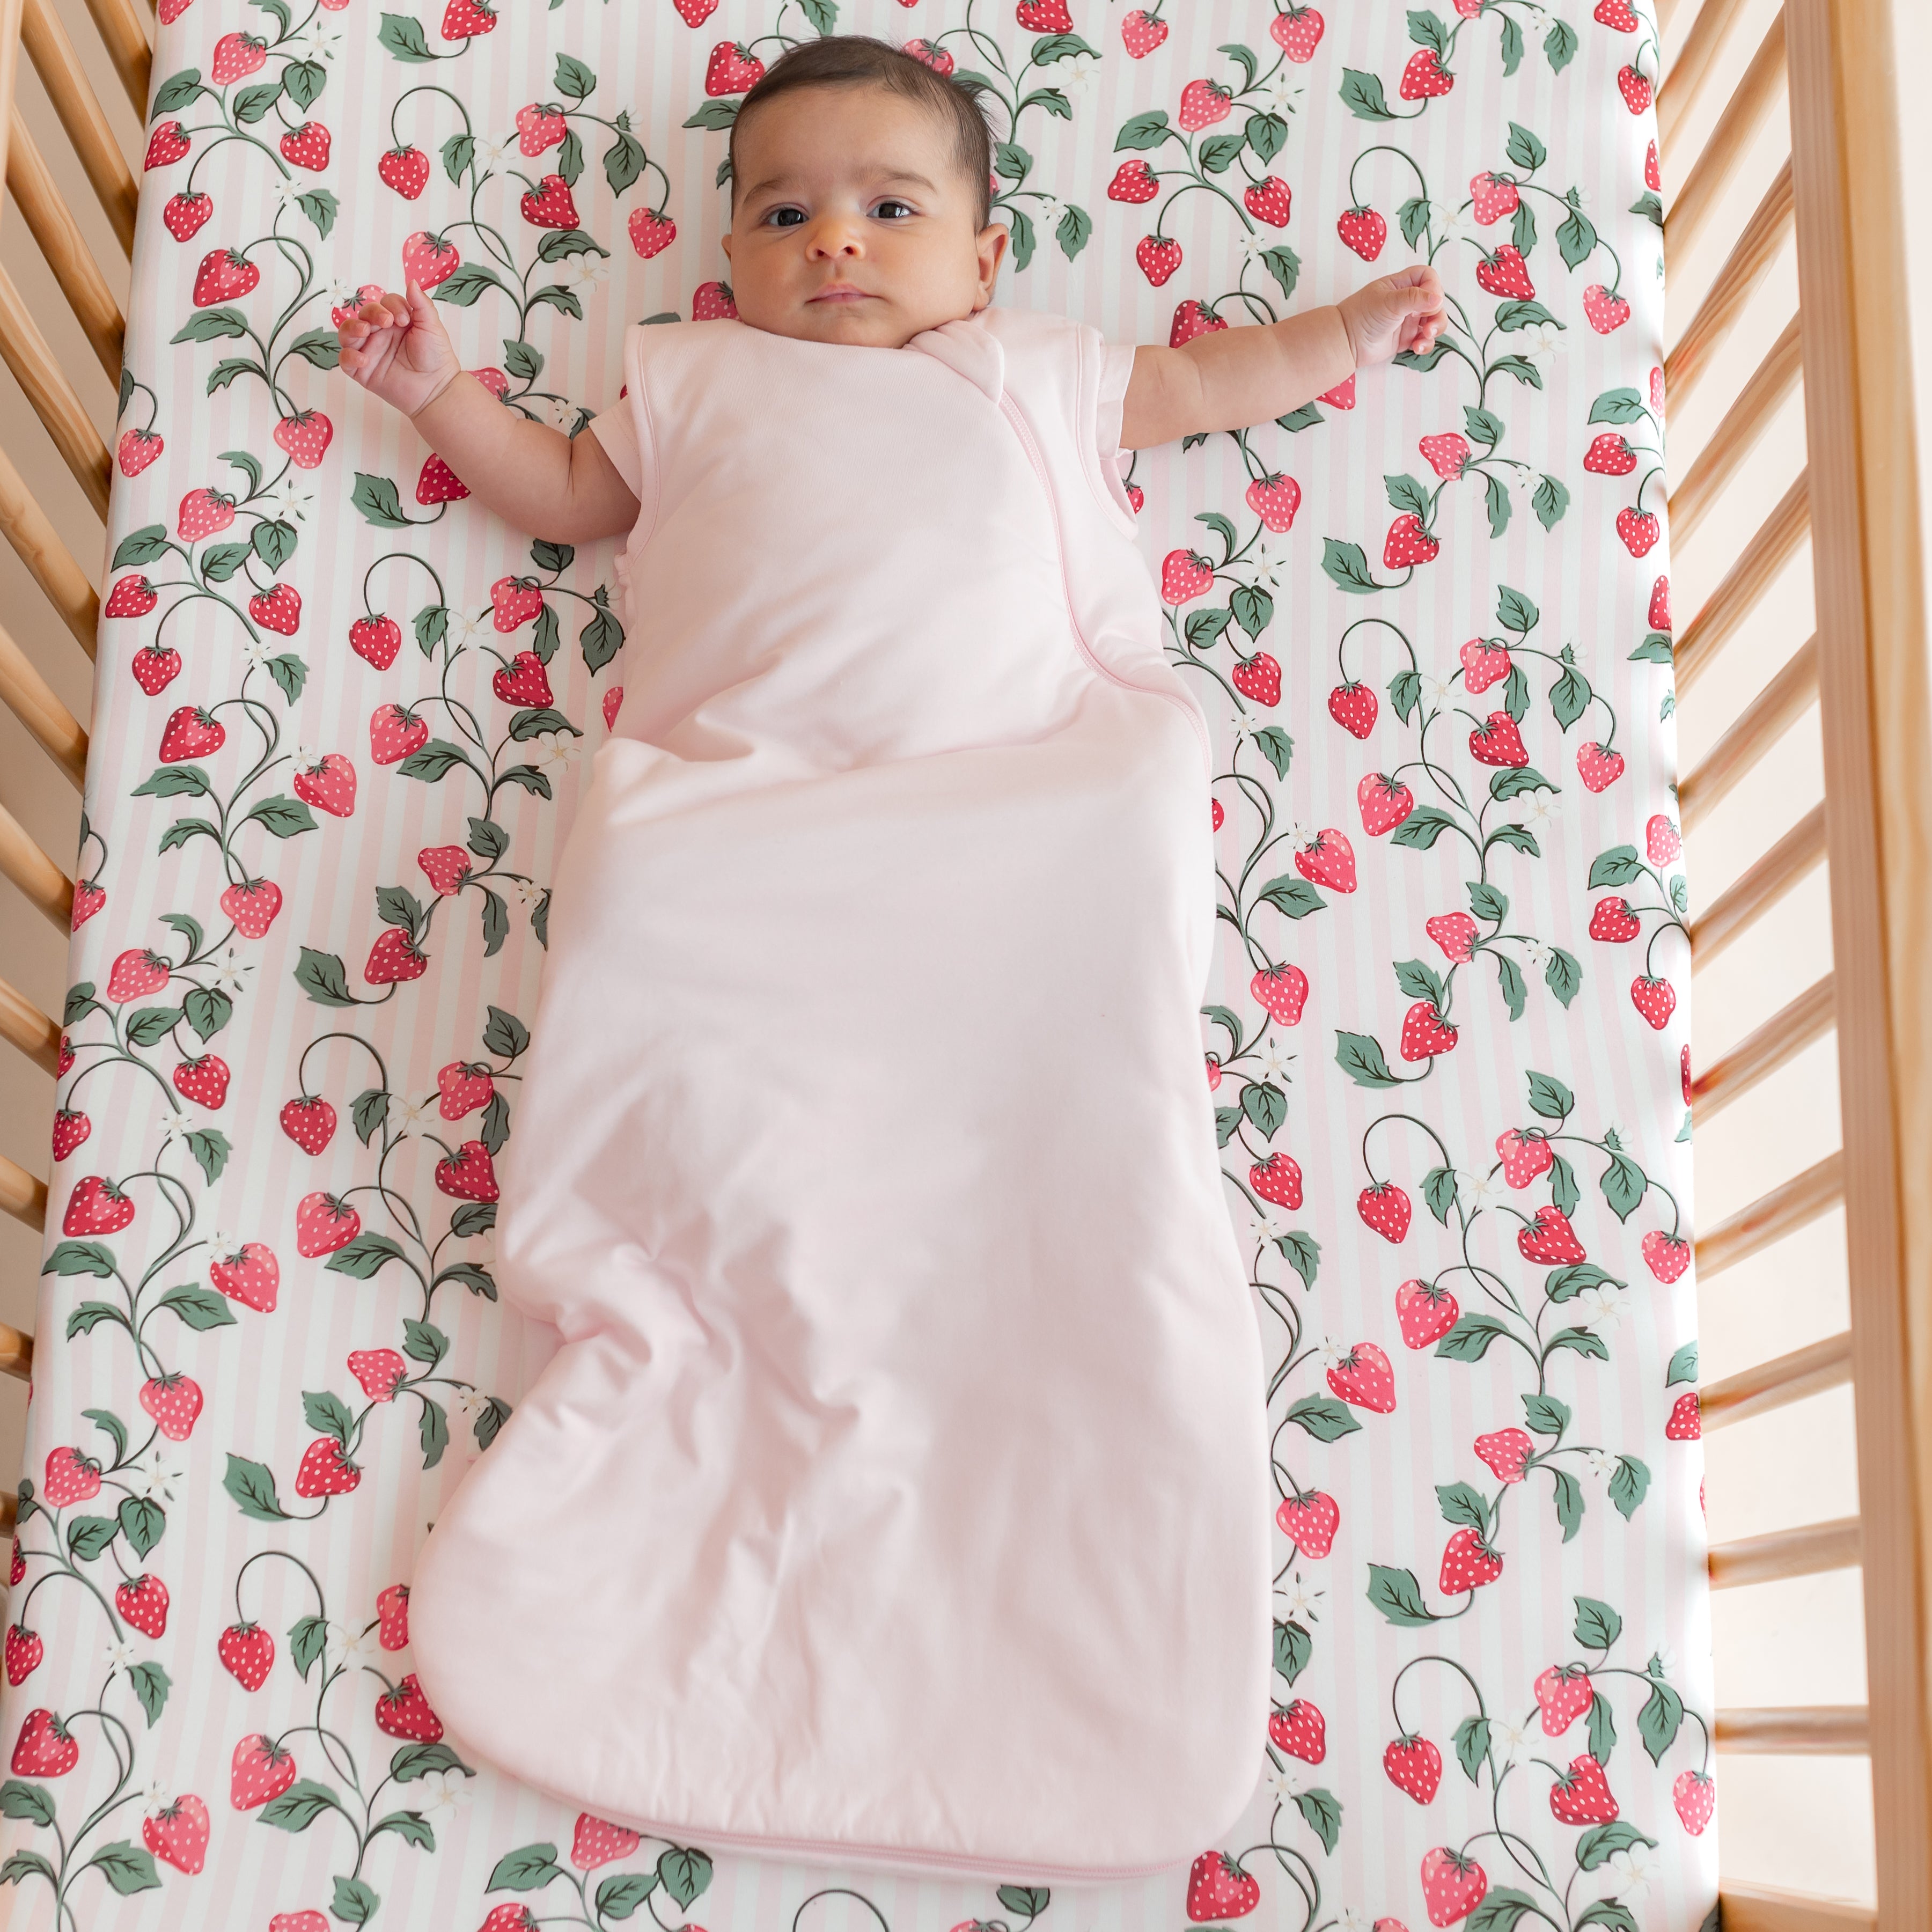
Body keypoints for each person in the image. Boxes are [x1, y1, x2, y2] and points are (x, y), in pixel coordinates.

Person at [336, 34, 1444, 538]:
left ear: (982, 261)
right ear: (729, 264)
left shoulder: (1025, 364)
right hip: (741, 764)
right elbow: (569, 496)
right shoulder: (700, 375)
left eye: (890, 209)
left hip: (995, 743)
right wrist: (440, 394)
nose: (832, 241)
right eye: (784, 215)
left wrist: (1345, 333)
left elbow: (1205, 385)